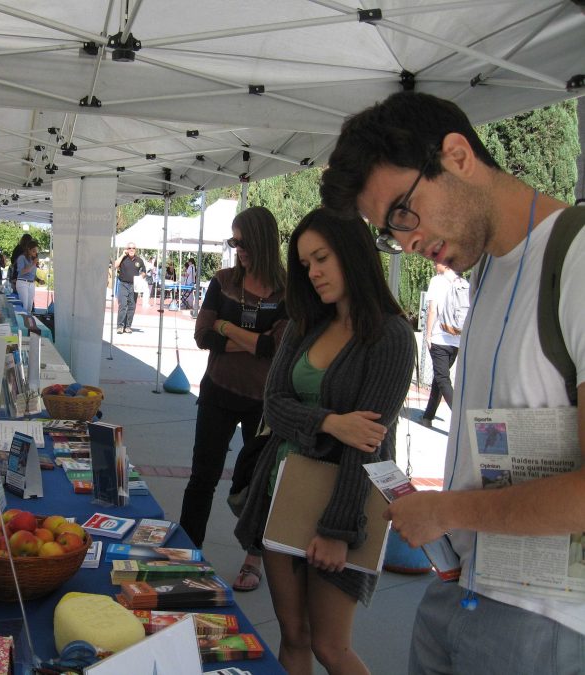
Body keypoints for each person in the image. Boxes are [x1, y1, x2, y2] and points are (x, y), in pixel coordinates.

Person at [319, 90, 585, 673]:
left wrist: (447, 512)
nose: (407, 242)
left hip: (544, 621)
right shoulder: (485, 269)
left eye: (402, 214)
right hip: (458, 590)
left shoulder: (576, 258)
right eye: (389, 232)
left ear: (458, 155)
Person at [235, 208, 415, 674]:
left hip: (347, 504)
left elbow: (368, 442)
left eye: (322, 259)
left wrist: (339, 531)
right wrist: (330, 422)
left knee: (331, 648)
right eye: (305, 264)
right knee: (293, 637)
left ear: (353, 255)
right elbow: (272, 403)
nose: (312, 273)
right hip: (284, 493)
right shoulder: (304, 323)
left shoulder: (391, 336)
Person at [180, 206, 288, 594]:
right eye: (233, 241)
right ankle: (187, 554)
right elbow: (203, 336)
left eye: (241, 241)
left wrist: (228, 327)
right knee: (201, 479)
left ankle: (252, 559)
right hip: (217, 392)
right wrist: (252, 340)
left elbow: (278, 347)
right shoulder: (222, 281)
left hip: (264, 402)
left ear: (262, 240)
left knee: (257, 485)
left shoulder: (287, 291)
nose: (236, 248)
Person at [420, 262, 460, 427]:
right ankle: (428, 417)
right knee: (439, 377)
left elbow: (432, 310)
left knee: (442, 379)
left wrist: (428, 334)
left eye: (437, 261)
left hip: (440, 338)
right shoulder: (462, 282)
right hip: (456, 339)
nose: (434, 263)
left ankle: (460, 416)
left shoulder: (437, 281)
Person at [114, 241, 146, 334]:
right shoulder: (123, 258)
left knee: (132, 306)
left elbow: (144, 271)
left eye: (133, 248)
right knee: (123, 305)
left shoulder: (139, 260)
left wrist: (141, 277)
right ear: (126, 249)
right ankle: (120, 326)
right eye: (129, 248)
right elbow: (115, 266)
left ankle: (128, 326)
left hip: (134, 286)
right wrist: (122, 255)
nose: (131, 250)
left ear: (135, 250)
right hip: (123, 284)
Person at [15, 240, 39, 312]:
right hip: (22, 283)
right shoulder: (21, 258)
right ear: (28, 250)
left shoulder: (33, 260)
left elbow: (32, 274)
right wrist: (33, 264)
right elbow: (22, 272)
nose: (35, 253)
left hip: (31, 283)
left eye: (36, 251)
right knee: (24, 306)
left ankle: (27, 321)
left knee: (29, 307)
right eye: (34, 251)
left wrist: (38, 279)